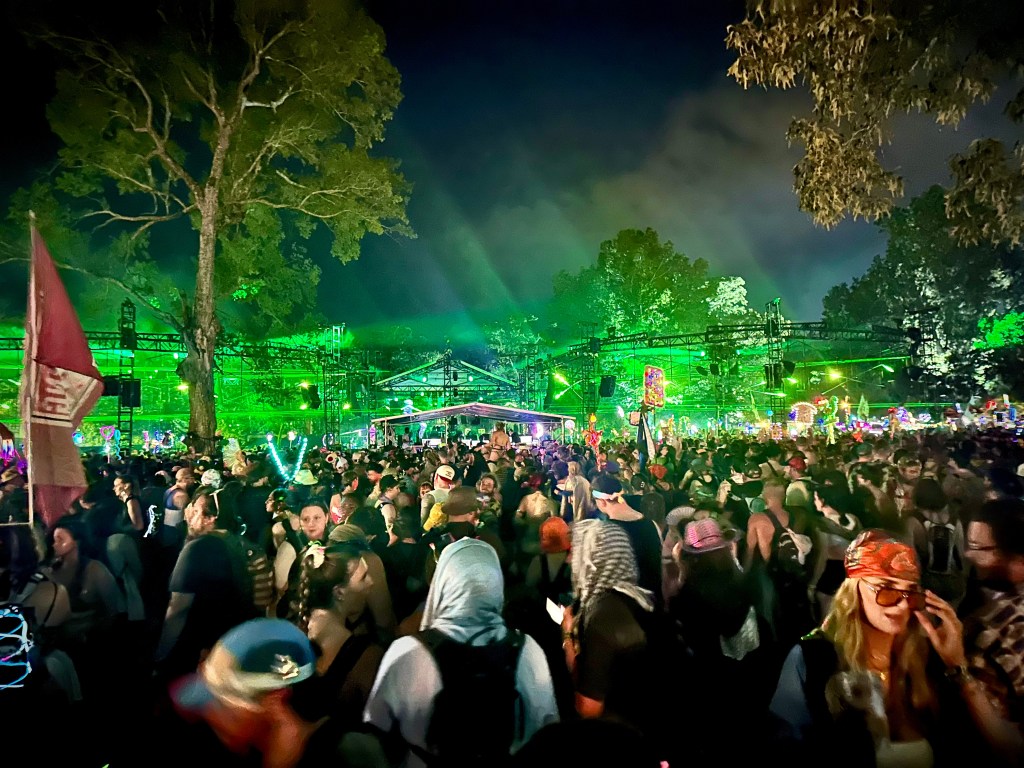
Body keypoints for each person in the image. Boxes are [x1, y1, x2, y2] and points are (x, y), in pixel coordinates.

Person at [768, 529, 963, 767]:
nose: (902, 606)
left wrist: (956, 664)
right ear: (855, 590)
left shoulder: (923, 658)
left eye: (910, 594)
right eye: (887, 589)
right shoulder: (813, 658)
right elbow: (787, 749)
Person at [363, 538, 558, 767]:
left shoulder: (408, 652)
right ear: (496, 584)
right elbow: (548, 729)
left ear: (443, 583)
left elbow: (375, 732)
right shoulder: (526, 649)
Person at [171, 617, 388, 767]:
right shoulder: (246, 753)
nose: (209, 715)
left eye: (221, 705)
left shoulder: (354, 756)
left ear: (275, 705)